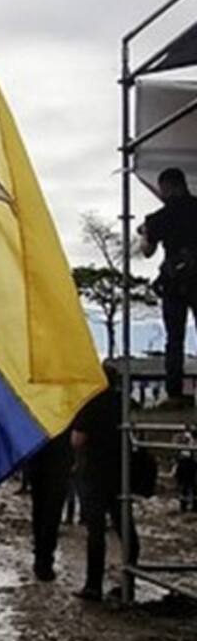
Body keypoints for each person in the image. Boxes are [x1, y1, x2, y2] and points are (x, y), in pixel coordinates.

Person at [71, 367, 140, 602]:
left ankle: (93, 585)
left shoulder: (91, 403)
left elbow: (78, 439)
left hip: (93, 473)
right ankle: (129, 582)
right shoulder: (123, 401)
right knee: (126, 528)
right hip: (121, 472)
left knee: (96, 531)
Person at [139, 167, 197, 407]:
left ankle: (175, 393)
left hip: (174, 283)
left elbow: (147, 251)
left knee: (175, 339)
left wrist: (145, 233)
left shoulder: (159, 217)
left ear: (168, 187)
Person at [23, 433, 72, 582]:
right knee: (52, 512)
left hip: (37, 457)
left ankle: (40, 557)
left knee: (39, 509)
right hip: (58, 461)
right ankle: (45, 560)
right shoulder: (66, 414)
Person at [174, 430, 196, 513]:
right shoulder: (181, 435)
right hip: (184, 461)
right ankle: (183, 505)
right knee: (184, 485)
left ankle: (193, 505)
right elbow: (176, 449)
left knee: (193, 485)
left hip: (193, 461)